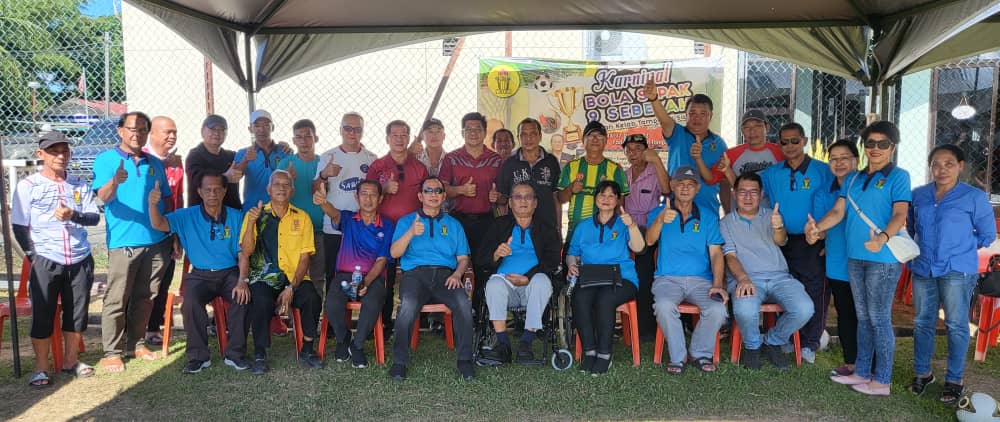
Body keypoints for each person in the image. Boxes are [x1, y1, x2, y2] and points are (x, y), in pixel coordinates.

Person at [807, 121, 911, 396]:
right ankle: (861, 372)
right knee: (863, 318)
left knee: (879, 318)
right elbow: (838, 212)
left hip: (882, 259)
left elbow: (900, 214)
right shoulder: (853, 179)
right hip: (854, 258)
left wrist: (882, 238)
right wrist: (817, 227)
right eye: (870, 143)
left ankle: (882, 380)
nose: (875, 148)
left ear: (892, 147)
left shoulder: (899, 176)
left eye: (882, 143)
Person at [907, 144, 996, 404]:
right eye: (936, 164)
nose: (941, 169)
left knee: (956, 324)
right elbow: (911, 227)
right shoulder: (919, 195)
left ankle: (954, 379)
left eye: (948, 164)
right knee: (922, 321)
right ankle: (923, 373)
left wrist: (961, 248)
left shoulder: (973, 197)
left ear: (960, 166)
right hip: (923, 267)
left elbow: (987, 234)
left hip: (957, 269)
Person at [12, 132, 100, 387]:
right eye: (54, 151)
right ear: (41, 154)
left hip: (79, 257)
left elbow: (94, 217)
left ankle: (70, 361)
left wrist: (74, 215)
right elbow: (19, 225)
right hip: (46, 258)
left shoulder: (79, 183)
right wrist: (32, 256)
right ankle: (41, 366)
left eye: (65, 150)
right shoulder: (28, 186)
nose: (61, 156)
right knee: (43, 314)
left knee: (76, 313)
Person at [93, 111, 173, 372]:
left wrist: (172, 233)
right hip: (123, 242)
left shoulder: (155, 163)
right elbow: (103, 197)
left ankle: (136, 344)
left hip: (156, 241)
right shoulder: (106, 160)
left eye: (141, 130)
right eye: (131, 129)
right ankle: (112, 351)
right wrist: (115, 181)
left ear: (147, 133)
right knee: (117, 298)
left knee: (146, 297)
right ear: (120, 131)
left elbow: (167, 199)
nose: (136, 134)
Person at [147, 172, 250, 374]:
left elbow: (243, 253)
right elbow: (158, 224)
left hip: (229, 272)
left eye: (217, 190)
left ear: (224, 191)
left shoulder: (237, 217)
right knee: (190, 304)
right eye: (208, 190)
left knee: (242, 298)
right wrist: (152, 204)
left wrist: (242, 280)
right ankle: (198, 357)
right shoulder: (186, 216)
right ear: (200, 192)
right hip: (200, 274)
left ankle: (235, 354)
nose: (212, 194)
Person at [722, 172, 814, 370]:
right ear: (734, 193)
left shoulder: (772, 215)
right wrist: (743, 278)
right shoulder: (726, 223)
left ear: (761, 194)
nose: (748, 197)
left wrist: (779, 227)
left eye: (753, 192)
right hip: (747, 278)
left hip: (779, 277)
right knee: (744, 309)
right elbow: (730, 257)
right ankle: (753, 346)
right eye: (742, 192)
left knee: (804, 308)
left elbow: (781, 240)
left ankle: (773, 341)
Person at [388, 176, 475, 381]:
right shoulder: (406, 221)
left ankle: (464, 361)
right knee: (407, 307)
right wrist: (411, 232)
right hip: (415, 275)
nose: (433, 195)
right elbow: (394, 253)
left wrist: (457, 274)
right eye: (428, 190)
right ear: (420, 196)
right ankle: (399, 362)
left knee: (463, 305)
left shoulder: (454, 225)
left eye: (438, 191)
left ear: (444, 196)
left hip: (447, 276)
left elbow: (463, 258)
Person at [760, 122, 833, 363]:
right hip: (782, 240)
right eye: (784, 142)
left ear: (804, 141)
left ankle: (811, 342)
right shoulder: (772, 173)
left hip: (813, 240)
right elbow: (748, 188)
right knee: (787, 290)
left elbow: (837, 206)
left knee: (815, 291)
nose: (790, 146)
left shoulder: (823, 170)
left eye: (795, 141)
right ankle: (788, 338)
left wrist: (828, 237)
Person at [644, 166, 727, 373]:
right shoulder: (658, 211)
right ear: (672, 186)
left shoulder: (707, 215)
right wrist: (661, 219)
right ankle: (678, 357)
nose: (685, 188)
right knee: (663, 306)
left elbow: (716, 253)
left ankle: (699, 353)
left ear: (697, 189)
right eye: (680, 184)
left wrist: (718, 284)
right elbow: (649, 240)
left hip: (701, 280)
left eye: (690, 185)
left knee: (718, 309)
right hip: (667, 279)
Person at [237, 170, 322, 373]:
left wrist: (292, 287)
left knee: (312, 298)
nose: (281, 188)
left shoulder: (302, 217)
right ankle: (259, 353)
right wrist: (251, 223)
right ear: (268, 189)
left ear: (292, 190)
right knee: (260, 301)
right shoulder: (255, 215)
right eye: (276, 184)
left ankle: (307, 348)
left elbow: (305, 257)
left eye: (286, 184)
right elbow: (246, 251)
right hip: (264, 277)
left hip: (294, 277)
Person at [476, 182, 562, 365]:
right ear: (510, 202)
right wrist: (495, 254)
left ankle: (526, 343)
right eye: (518, 197)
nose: (523, 201)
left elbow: (552, 260)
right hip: (505, 285)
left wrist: (527, 278)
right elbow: (481, 259)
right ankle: (503, 345)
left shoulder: (547, 229)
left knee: (541, 280)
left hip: (533, 286)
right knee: (493, 283)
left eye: (528, 197)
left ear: (535, 203)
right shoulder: (498, 226)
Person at [566, 180, 644, 375]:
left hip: (623, 278)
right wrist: (572, 265)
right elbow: (572, 253)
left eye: (611, 195)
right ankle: (589, 351)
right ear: (596, 199)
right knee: (579, 297)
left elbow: (639, 248)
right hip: (591, 277)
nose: (606, 199)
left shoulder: (624, 223)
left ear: (618, 200)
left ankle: (604, 353)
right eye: (602, 194)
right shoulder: (583, 226)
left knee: (605, 299)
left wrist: (632, 226)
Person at [315, 180, 395, 368]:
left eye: (373, 194)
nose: (368, 198)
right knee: (332, 304)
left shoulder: (388, 225)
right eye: (364, 194)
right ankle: (343, 338)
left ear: (380, 198)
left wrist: (366, 282)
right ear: (356, 197)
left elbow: (382, 260)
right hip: (344, 276)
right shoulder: (349, 219)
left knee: (373, 303)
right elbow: (334, 213)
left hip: (372, 277)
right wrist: (323, 203)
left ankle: (357, 346)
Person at [367, 120, 430, 335]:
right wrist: (383, 188)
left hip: (414, 231)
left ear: (409, 138)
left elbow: (428, 197)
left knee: (417, 274)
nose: (399, 139)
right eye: (395, 135)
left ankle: (418, 322)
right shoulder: (378, 166)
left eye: (404, 135)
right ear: (387, 139)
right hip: (384, 230)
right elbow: (367, 197)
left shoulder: (419, 167)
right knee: (386, 277)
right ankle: (383, 322)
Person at [440, 112, 504, 299]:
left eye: (478, 129)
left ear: (485, 132)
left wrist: (498, 196)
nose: (473, 133)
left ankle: (480, 308)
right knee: (455, 264)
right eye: (469, 129)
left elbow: (505, 196)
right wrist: (460, 190)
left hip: (487, 221)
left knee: (484, 265)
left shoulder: (496, 160)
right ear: (462, 133)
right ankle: (455, 308)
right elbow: (441, 189)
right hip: (458, 220)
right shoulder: (451, 158)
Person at [315, 112, 378, 301]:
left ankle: (366, 315)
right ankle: (333, 316)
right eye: (348, 128)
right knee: (333, 276)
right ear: (340, 130)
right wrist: (324, 175)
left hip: (363, 227)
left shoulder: (371, 158)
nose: (352, 133)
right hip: (335, 226)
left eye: (357, 129)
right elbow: (314, 189)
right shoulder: (328, 156)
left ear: (363, 132)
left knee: (365, 275)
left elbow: (376, 191)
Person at [812, 139, 861, 377]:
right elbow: (821, 228)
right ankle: (851, 363)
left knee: (869, 314)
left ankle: (872, 364)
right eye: (834, 159)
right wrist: (816, 234)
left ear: (856, 160)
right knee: (846, 312)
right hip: (838, 260)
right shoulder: (823, 192)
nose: (839, 163)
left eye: (844, 158)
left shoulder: (867, 187)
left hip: (868, 259)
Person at [644, 78, 726, 210]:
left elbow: (723, 181)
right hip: (675, 208)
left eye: (703, 114)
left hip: (707, 209)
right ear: (685, 114)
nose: (697, 118)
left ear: (711, 116)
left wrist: (728, 211)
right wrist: (654, 99)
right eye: (692, 113)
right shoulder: (677, 133)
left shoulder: (719, 143)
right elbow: (664, 120)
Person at [622, 133, 670, 340]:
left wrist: (657, 161)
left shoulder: (654, 172)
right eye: (629, 150)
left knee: (645, 276)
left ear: (646, 151)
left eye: (638, 149)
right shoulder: (624, 175)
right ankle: (628, 324)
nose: (634, 154)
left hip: (649, 233)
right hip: (627, 232)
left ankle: (647, 329)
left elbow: (667, 189)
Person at [144, 116, 184, 347]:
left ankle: (153, 328)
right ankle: (132, 330)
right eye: (166, 132)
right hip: (143, 234)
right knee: (142, 285)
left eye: (174, 132)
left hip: (167, 232)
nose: (172, 136)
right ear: (151, 133)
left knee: (163, 281)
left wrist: (177, 234)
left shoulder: (176, 164)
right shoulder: (141, 159)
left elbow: (177, 199)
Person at [557, 120, 629, 241]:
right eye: (590, 135)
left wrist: (612, 233)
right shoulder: (571, 166)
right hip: (575, 234)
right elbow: (561, 199)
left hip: (604, 236)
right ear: (583, 140)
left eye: (599, 136)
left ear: (605, 141)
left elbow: (620, 205)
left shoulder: (616, 169)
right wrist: (570, 189)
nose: (595, 139)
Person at [277, 119, 326, 289]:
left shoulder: (323, 162)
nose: (304, 141)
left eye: (308, 136)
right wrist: (288, 180)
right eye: (299, 137)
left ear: (316, 138)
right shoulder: (286, 164)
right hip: (293, 230)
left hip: (318, 229)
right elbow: (277, 196)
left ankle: (316, 307)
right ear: (293, 140)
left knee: (317, 277)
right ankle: (290, 307)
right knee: (292, 274)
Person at [496, 118, 562, 229]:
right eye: (524, 134)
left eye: (533, 134)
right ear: (518, 138)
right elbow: (503, 200)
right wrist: (504, 228)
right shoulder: (509, 164)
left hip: (547, 226)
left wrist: (558, 228)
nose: (528, 138)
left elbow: (556, 198)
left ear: (540, 136)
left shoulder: (551, 161)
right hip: (518, 228)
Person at [717, 110, 784, 211]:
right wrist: (728, 212)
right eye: (747, 127)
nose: (752, 131)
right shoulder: (731, 154)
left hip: (771, 213)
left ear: (767, 127)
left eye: (757, 126)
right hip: (741, 214)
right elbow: (712, 178)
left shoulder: (780, 152)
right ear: (742, 131)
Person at [233, 109, 291, 212]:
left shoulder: (284, 151)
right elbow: (235, 176)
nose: (262, 129)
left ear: (273, 127)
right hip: (252, 209)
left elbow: (292, 178)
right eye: (257, 126)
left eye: (266, 125)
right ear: (250, 129)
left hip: (280, 210)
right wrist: (245, 160)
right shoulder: (243, 153)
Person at [186, 114, 242, 210]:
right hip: (202, 213)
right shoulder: (194, 156)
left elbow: (249, 163)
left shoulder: (231, 156)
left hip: (230, 212)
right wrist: (225, 177)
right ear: (202, 131)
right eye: (212, 129)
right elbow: (197, 180)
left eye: (221, 130)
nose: (217, 133)